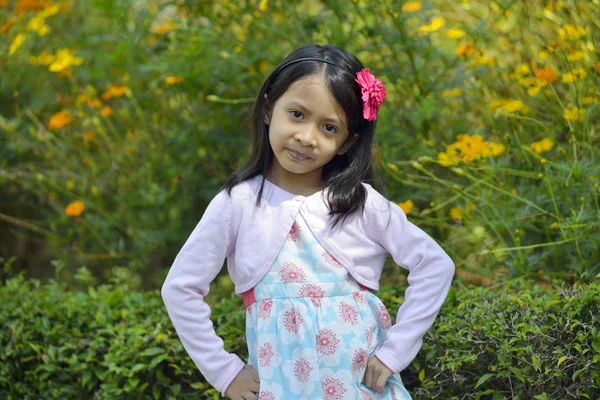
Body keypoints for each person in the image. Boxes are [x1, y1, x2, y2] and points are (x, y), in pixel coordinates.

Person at [161, 44, 455, 400]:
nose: (307, 136)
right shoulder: (237, 204)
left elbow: (434, 265)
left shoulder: (360, 205)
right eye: (297, 114)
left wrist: (395, 352)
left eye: (329, 127)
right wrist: (225, 372)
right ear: (269, 108)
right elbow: (180, 288)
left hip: (361, 389)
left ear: (348, 142)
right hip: (281, 388)